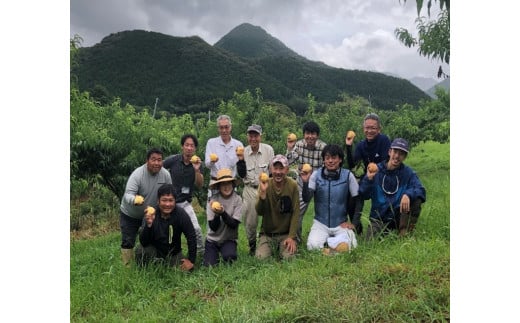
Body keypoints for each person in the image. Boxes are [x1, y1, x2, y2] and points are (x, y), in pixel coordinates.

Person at [358, 138, 426, 239]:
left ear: (405, 157)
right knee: (370, 241)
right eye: (395, 152)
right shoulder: (377, 170)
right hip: (379, 218)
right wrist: (369, 179)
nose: (397, 156)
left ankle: (404, 232)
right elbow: (363, 194)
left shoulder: (407, 173)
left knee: (416, 199)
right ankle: (385, 231)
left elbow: (421, 189)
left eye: (401, 154)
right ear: (390, 152)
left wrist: (408, 194)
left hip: (398, 217)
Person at [301, 144, 360, 252]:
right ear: (323, 160)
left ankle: (329, 246)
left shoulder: (348, 175)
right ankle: (333, 247)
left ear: (340, 159)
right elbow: (306, 198)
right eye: (327, 158)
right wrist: (305, 182)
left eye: (334, 158)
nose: (330, 161)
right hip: (320, 223)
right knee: (312, 247)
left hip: (341, 224)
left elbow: (358, 200)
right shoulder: (315, 175)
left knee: (353, 245)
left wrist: (354, 223)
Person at [119, 147, 172, 267]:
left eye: (159, 160)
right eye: (153, 159)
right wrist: (134, 200)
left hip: (149, 214)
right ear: (147, 160)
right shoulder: (138, 174)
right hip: (130, 213)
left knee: (149, 239)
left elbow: (169, 193)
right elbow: (128, 194)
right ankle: (127, 267)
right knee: (128, 240)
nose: (157, 163)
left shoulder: (165, 175)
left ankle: (148, 262)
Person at [345, 113, 391, 233]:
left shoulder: (384, 140)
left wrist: (373, 170)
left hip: (382, 177)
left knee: (379, 199)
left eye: (373, 128)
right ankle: (356, 226)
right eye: (367, 127)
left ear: (379, 129)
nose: (369, 131)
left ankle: (383, 223)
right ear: (363, 128)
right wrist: (348, 147)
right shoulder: (361, 145)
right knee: (353, 194)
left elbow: (387, 162)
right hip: (368, 178)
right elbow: (353, 166)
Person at [135, 184, 197, 271]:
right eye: (164, 200)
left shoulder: (181, 214)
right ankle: (146, 270)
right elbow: (144, 242)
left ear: (175, 201)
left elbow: (191, 236)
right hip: (155, 251)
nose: (167, 204)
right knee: (140, 250)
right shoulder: (152, 214)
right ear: (158, 201)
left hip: (174, 253)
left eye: (171, 200)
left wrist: (191, 260)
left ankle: (167, 265)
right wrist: (149, 226)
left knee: (187, 270)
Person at [286, 121, 327, 243]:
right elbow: (288, 162)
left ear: (317, 135)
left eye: (313, 134)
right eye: (307, 133)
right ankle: (296, 240)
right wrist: (289, 148)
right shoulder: (298, 145)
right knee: (296, 213)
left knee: (324, 214)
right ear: (304, 134)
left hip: (319, 184)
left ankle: (323, 240)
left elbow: (326, 167)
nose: (310, 136)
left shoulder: (323, 148)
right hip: (302, 184)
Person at [236, 124, 275, 255]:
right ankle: (252, 245)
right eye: (251, 135)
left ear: (260, 136)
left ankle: (269, 242)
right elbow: (241, 175)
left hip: (266, 186)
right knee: (250, 221)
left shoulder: (268, 150)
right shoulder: (243, 151)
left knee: (270, 216)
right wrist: (240, 160)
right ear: (247, 136)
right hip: (249, 188)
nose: (253, 138)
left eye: (256, 136)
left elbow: (272, 171)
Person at [163, 134, 205, 254]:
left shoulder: (197, 163)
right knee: (170, 231)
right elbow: (159, 167)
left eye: (192, 146)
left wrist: (196, 169)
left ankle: (201, 253)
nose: (189, 148)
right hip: (170, 202)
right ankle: (169, 253)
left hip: (185, 203)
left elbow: (200, 184)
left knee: (195, 229)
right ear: (182, 146)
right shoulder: (174, 160)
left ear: (195, 149)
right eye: (187, 145)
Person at [255, 155, 300, 260]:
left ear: (287, 170)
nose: (278, 172)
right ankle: (266, 246)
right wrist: (263, 195)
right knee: (260, 258)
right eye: (275, 168)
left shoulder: (293, 185)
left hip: (285, 234)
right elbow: (259, 212)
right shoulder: (265, 185)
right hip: (267, 234)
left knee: (288, 258)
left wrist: (291, 236)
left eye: (281, 168)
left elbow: (296, 212)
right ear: (271, 169)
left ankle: (288, 246)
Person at [204, 168, 243, 266]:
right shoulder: (212, 200)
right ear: (219, 186)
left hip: (228, 239)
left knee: (229, 258)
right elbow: (213, 227)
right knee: (209, 265)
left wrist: (222, 213)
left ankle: (226, 250)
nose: (226, 187)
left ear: (232, 184)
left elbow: (233, 224)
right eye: (223, 184)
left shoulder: (237, 199)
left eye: (228, 183)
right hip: (212, 240)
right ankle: (212, 253)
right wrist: (217, 214)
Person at [205, 114, 244, 181]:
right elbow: (207, 165)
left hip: (231, 183)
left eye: (226, 127)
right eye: (221, 127)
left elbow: (242, 168)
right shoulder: (211, 143)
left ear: (231, 127)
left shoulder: (238, 145)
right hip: (215, 182)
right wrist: (212, 161)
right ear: (218, 128)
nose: (224, 130)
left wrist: (241, 160)